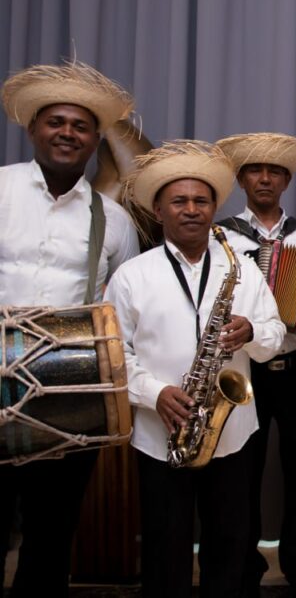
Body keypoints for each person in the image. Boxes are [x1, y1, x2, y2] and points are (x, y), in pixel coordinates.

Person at [105, 141, 285, 598]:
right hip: (159, 432)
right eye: (179, 201)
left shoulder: (242, 268)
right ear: (159, 210)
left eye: (201, 201)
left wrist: (252, 333)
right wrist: (154, 394)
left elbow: (275, 334)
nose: (191, 210)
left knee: (230, 546)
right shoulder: (131, 276)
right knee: (165, 551)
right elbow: (113, 356)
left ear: (213, 209)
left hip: (232, 432)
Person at [0, 60, 139, 596]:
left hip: (69, 390)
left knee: (52, 532)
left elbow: (118, 303)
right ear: (34, 129)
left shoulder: (114, 218)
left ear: (94, 141)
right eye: (55, 122)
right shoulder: (4, 189)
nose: (67, 132)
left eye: (80, 126)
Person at [215, 132, 296, 598]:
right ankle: (245, 569)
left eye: (275, 172)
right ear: (241, 178)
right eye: (255, 171)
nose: (265, 178)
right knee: (243, 469)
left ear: (287, 180)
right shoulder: (221, 234)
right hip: (245, 365)